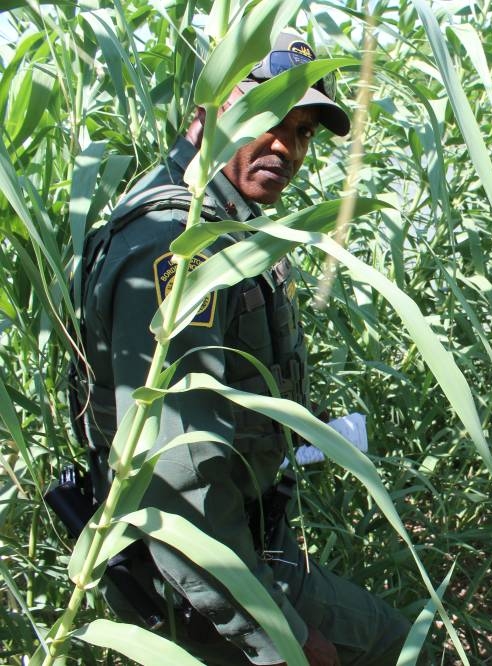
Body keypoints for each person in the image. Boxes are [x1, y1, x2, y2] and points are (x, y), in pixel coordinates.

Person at [70, 29, 409, 665]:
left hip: (231, 554)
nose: (286, 145)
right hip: (197, 577)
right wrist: (280, 637)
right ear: (208, 110)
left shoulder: (220, 230)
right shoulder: (178, 247)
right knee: (396, 645)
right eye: (270, 117)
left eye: (304, 131)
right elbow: (177, 479)